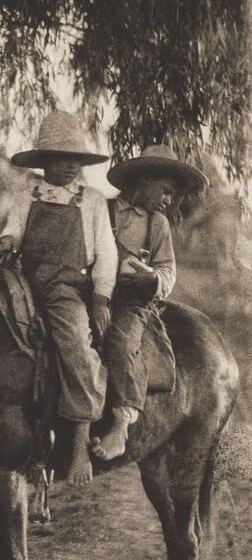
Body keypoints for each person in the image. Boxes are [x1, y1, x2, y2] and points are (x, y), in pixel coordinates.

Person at [0, 110, 118, 485]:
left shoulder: (92, 200)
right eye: (62, 159)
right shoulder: (26, 195)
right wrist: (5, 241)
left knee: (77, 347)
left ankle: (79, 446)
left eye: (76, 160)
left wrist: (101, 298)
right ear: (45, 161)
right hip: (23, 283)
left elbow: (106, 253)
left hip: (65, 289)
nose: (70, 167)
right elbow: (12, 230)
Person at [91, 145, 209, 460]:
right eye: (166, 191)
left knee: (121, 340)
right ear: (144, 180)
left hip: (132, 301)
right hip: (95, 293)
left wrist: (152, 279)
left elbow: (168, 271)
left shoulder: (157, 224)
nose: (168, 200)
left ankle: (121, 423)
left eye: (172, 195)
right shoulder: (102, 209)